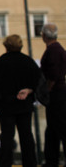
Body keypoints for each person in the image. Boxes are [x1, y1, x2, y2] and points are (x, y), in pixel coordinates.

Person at [0, 34, 43, 167]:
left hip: (6, 105)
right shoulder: (28, 61)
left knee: (7, 137)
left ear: (6, 46)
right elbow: (39, 80)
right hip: (25, 104)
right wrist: (31, 91)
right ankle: (30, 163)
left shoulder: (0, 62)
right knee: (26, 135)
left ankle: (5, 164)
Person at [40, 23, 66, 167]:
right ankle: (51, 160)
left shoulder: (53, 51)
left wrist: (47, 89)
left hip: (56, 94)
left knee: (58, 127)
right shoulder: (58, 49)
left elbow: (54, 75)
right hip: (58, 93)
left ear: (44, 35)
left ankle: (51, 160)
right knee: (53, 129)